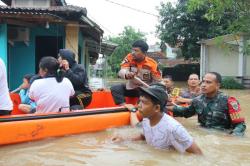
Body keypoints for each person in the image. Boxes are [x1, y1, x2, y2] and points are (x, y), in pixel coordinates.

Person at [113, 84, 202, 155]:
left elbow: (198, 153)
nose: (139, 105)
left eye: (144, 102)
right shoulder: (147, 118)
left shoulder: (174, 129)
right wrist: (125, 139)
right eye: (139, 101)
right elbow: (144, 136)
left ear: (156, 108)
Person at [170, 72, 246, 136]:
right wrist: (167, 107)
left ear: (218, 85)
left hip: (221, 136)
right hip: (203, 134)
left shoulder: (230, 101)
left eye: (208, 82)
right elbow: (186, 112)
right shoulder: (197, 100)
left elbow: (240, 125)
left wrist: (232, 136)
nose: (203, 85)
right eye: (203, 81)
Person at [110, 40, 161, 105]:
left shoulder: (153, 64)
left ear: (144, 53)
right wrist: (127, 74)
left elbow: (158, 81)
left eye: (136, 51)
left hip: (145, 91)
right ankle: (124, 106)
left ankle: (142, 106)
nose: (133, 53)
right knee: (115, 88)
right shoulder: (129, 57)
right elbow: (121, 71)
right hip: (131, 88)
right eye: (132, 50)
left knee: (148, 97)